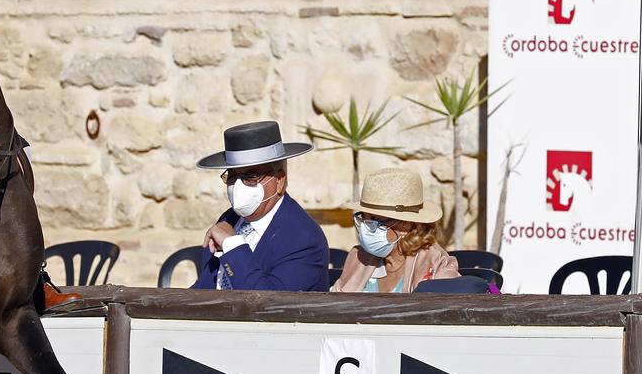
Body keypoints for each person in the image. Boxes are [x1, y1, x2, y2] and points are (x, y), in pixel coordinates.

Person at [192, 121, 329, 292]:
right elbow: (205, 287)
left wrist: (232, 246)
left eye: (250, 176)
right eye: (232, 177)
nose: (238, 186)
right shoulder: (230, 219)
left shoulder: (303, 239)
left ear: (279, 181)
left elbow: (269, 305)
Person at [331, 168, 460, 294]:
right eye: (362, 218)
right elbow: (334, 304)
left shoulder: (436, 263)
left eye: (375, 219)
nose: (365, 227)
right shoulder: (358, 258)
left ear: (405, 224)